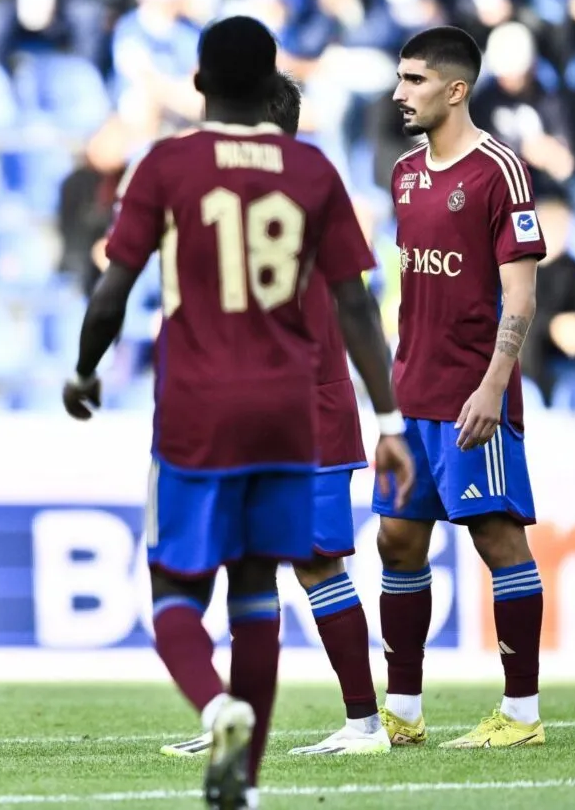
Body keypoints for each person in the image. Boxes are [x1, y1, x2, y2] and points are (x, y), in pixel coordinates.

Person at [63, 16, 411, 810]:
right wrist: (390, 422)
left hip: (196, 409)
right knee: (258, 586)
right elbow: (358, 305)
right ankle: (244, 779)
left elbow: (113, 287)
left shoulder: (169, 164)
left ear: (197, 83)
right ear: (270, 86)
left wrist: (85, 371)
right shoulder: (315, 173)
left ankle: (220, 706)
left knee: (176, 590)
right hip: (290, 410)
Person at [161, 72, 405, 761]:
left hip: (308, 409)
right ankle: (240, 721)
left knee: (317, 564)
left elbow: (352, 305)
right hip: (242, 411)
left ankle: (364, 722)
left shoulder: (311, 193)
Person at [375, 26, 547, 748]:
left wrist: (491, 386)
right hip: (412, 395)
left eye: (413, 80)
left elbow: (522, 298)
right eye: (399, 78)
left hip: (475, 397)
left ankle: (522, 713)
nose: (398, 93)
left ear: (456, 89)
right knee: (397, 541)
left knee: (497, 539)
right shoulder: (406, 174)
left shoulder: (499, 172)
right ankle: (405, 712)